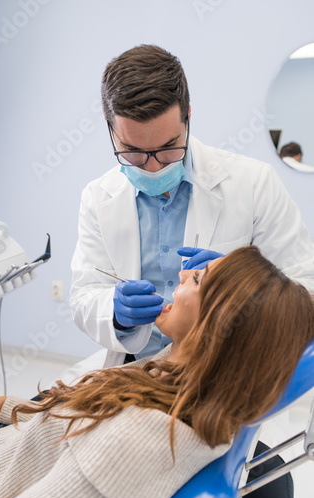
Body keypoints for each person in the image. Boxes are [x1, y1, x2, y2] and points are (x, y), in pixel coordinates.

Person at [0, 246, 313, 498]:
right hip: (14, 443)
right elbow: (61, 425)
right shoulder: (180, 372)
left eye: (197, 278)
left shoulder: (135, 442)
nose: (182, 275)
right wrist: (0, 406)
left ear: (217, 324)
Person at [70, 44, 314, 369]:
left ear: (188, 114)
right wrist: (114, 312)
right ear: (109, 126)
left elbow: (306, 291)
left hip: (222, 376)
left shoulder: (254, 184)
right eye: (133, 151)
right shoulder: (98, 197)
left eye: (169, 148)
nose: (153, 167)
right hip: (137, 373)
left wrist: (246, 290)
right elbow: (85, 294)